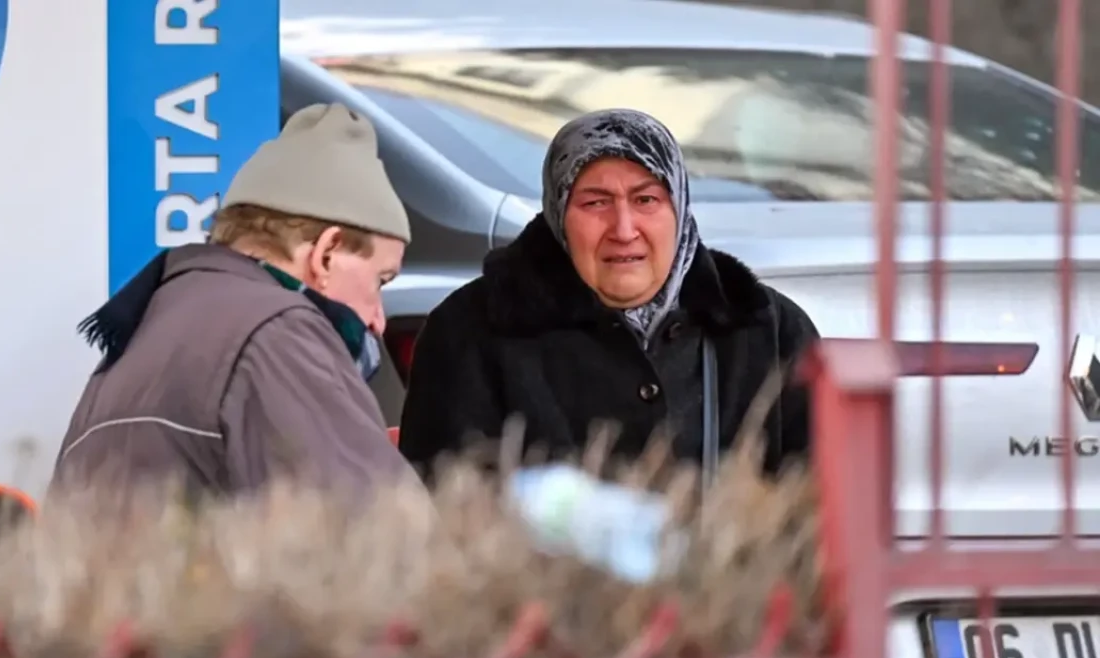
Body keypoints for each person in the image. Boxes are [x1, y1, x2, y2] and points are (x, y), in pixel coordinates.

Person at [397, 108, 820, 482]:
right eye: (596, 203)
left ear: (679, 206)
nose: (623, 229)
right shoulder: (471, 332)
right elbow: (450, 509)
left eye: (646, 199)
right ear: (559, 215)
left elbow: (821, 503)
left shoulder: (767, 327)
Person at [51, 103, 416, 502]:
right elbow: (387, 533)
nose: (378, 320)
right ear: (326, 253)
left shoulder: (149, 326)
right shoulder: (279, 335)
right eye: (381, 280)